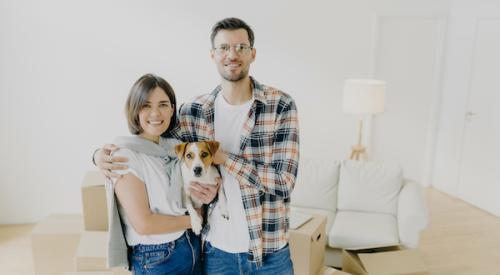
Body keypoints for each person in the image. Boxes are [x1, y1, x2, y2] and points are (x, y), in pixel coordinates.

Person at [96, 18, 300, 274]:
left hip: (269, 251)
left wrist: (223, 158)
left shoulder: (279, 105)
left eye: (241, 47)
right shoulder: (194, 111)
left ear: (253, 54)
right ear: (213, 55)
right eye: (224, 48)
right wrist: (98, 156)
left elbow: (283, 182)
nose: (232, 54)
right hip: (215, 251)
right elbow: (152, 138)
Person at [106, 74, 217, 275]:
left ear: (172, 109)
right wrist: (195, 219)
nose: (156, 113)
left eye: (163, 104)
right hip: (157, 256)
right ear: (134, 109)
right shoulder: (125, 156)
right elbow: (144, 224)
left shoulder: (175, 148)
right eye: (146, 105)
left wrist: (206, 196)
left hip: (192, 245)